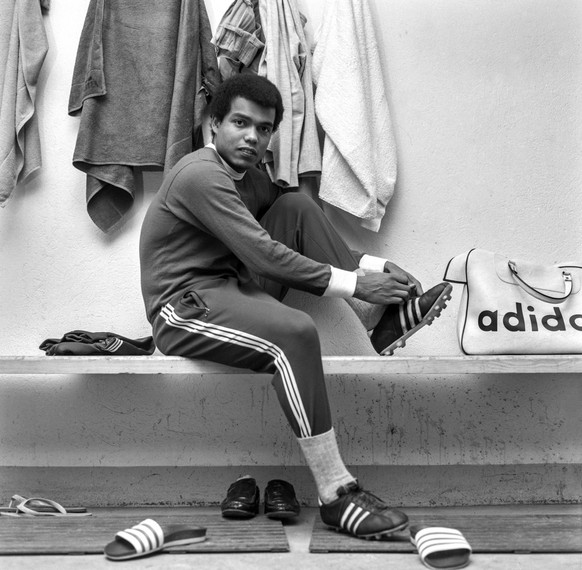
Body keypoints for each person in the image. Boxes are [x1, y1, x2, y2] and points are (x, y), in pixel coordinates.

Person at [139, 74, 452, 539]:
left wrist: (376, 264)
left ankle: (376, 324)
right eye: (240, 123)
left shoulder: (252, 178)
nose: (252, 137)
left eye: (263, 129)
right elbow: (263, 254)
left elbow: (291, 224)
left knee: (297, 206)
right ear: (213, 125)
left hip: (234, 289)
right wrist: (355, 284)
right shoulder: (199, 174)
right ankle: (336, 492)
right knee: (296, 333)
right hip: (184, 309)